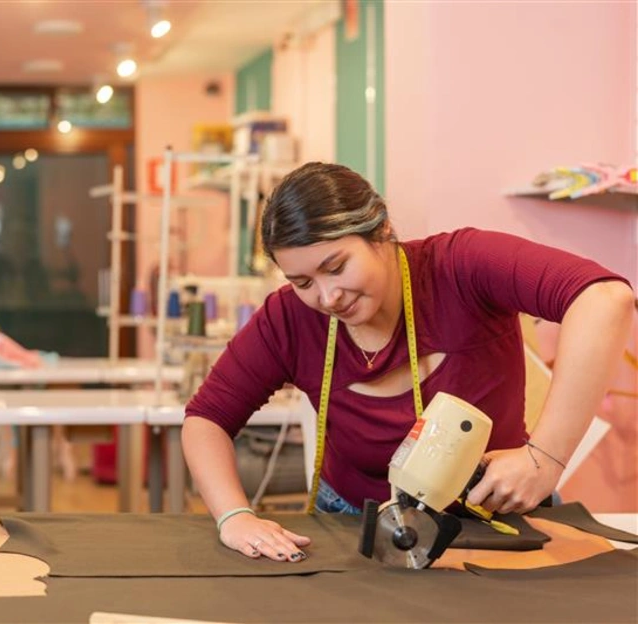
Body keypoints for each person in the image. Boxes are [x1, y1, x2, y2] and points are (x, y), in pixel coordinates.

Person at [182, 163, 633, 563]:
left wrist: (545, 458)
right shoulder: (289, 318)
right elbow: (206, 418)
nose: (327, 297)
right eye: (302, 282)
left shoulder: (462, 267)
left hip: (495, 520)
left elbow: (605, 298)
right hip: (354, 526)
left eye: (336, 267)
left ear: (381, 230)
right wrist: (233, 516)